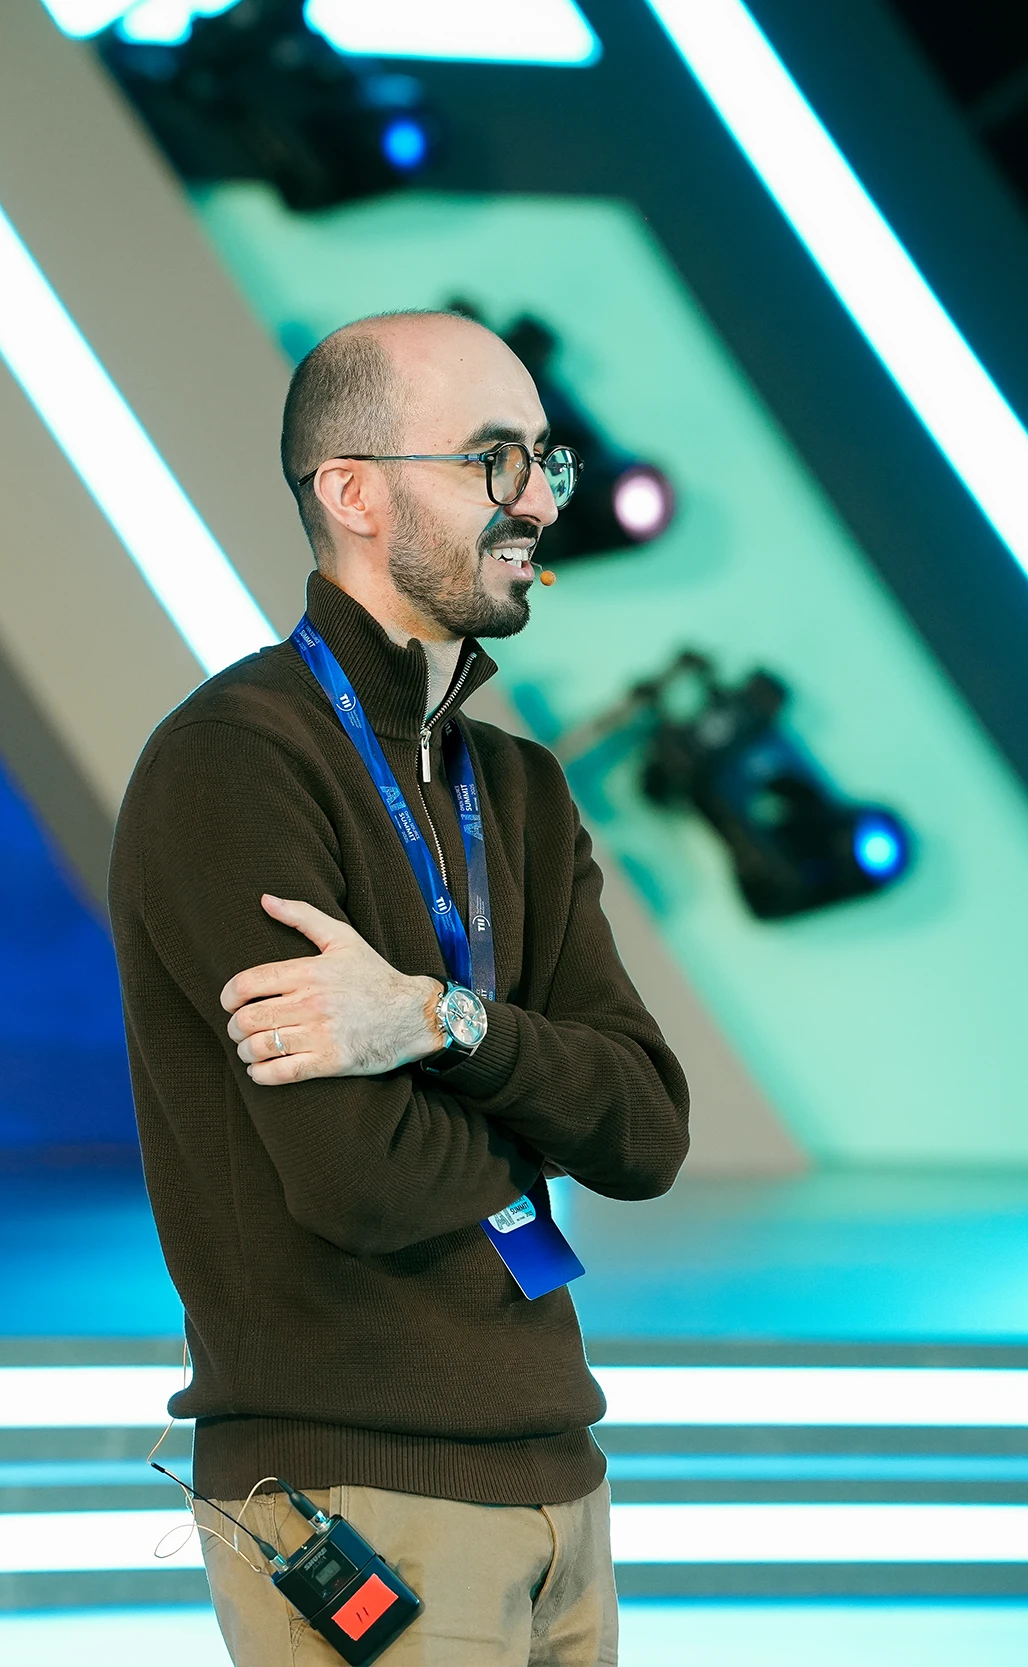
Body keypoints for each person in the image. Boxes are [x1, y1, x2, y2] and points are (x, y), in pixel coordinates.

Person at [109, 309, 691, 1666]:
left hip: (561, 1471)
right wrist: (536, 1117)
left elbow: (648, 1130)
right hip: (357, 1494)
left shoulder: (522, 788)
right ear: (353, 491)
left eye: (545, 459)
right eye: (495, 459)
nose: (539, 500)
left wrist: (441, 1022)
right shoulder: (235, 764)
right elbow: (358, 1178)